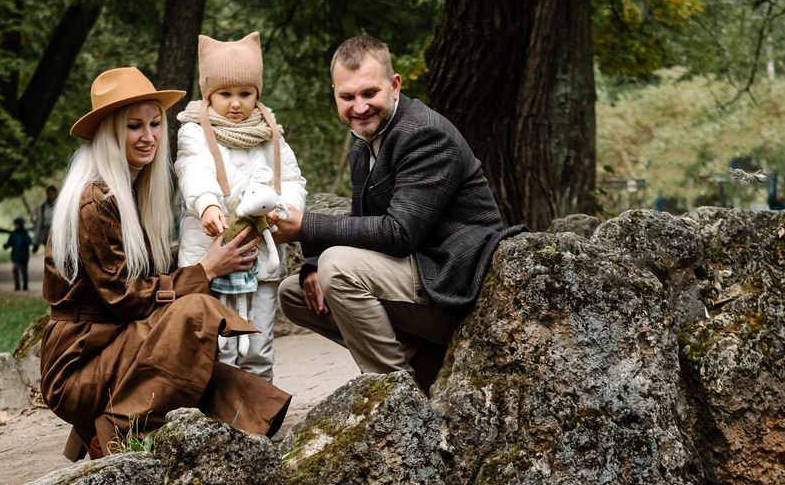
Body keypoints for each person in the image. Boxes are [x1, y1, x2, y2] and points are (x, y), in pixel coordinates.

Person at [40, 66, 290, 459]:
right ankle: (115, 432)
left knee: (224, 384)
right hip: (79, 363)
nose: (149, 136)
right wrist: (205, 271)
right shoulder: (95, 200)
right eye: (134, 126)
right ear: (109, 133)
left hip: (118, 344)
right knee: (193, 315)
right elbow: (124, 298)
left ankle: (248, 425)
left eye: (155, 124)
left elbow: (149, 281)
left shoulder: (136, 190)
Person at [274, 34, 521, 386]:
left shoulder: (424, 134)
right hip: (418, 276)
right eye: (347, 97)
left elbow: (399, 232)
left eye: (368, 93)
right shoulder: (365, 144)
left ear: (394, 85)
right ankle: (424, 366)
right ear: (335, 94)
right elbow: (364, 223)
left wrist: (305, 228)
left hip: (455, 287)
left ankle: (393, 393)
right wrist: (312, 265)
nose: (359, 107)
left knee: (338, 270)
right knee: (296, 295)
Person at [175, 32, 306, 382]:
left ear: (257, 94)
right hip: (210, 253)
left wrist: (285, 207)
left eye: (245, 94)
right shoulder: (194, 132)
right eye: (225, 94)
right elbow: (193, 169)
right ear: (209, 94)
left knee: (258, 339)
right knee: (219, 343)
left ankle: (260, 411)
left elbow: (292, 179)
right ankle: (217, 414)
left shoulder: (270, 133)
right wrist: (206, 204)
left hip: (258, 256)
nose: (236, 104)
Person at [5, 216, 33, 290]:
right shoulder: (13, 234)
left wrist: (29, 242)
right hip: (15, 256)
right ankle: (17, 285)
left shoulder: (25, 234)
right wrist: (6, 245)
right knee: (15, 269)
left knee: (24, 271)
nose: (16, 226)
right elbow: (10, 242)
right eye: (15, 224)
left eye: (17, 224)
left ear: (21, 225)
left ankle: (25, 285)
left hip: (24, 256)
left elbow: (29, 241)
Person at [32, 185, 58, 252]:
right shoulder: (43, 208)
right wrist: (35, 242)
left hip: (59, 235)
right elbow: (39, 224)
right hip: (47, 236)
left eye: (52, 193)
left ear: (56, 193)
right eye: (49, 193)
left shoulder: (62, 205)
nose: (51, 195)